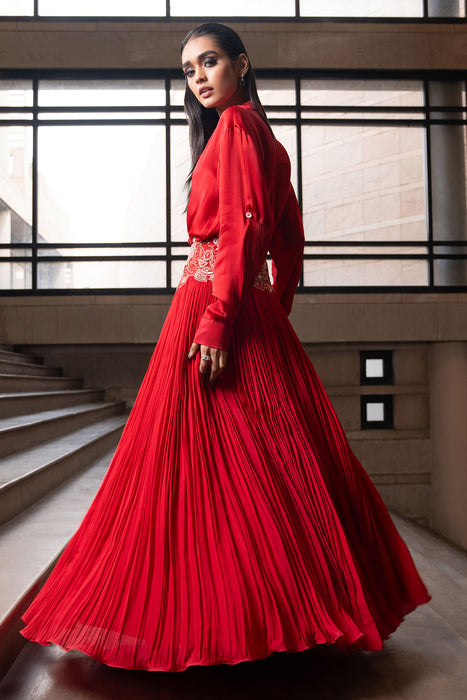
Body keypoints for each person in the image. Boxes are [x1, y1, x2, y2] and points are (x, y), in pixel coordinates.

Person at [19, 22, 431, 673]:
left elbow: (240, 234)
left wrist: (217, 321)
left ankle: (233, 618)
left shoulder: (236, 130)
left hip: (214, 304)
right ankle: (275, 611)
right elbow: (289, 238)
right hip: (248, 305)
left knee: (198, 466)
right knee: (261, 466)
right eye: (189, 70)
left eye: (209, 61)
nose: (200, 77)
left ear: (241, 63)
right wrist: (270, 308)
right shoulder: (266, 137)